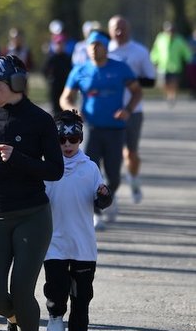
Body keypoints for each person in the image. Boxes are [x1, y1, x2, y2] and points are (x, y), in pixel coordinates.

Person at [0, 56, 63, 331]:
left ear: (15, 85)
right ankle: (15, 321)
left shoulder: (40, 120)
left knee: (22, 288)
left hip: (32, 215)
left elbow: (55, 170)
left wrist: (20, 159)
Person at [43, 110, 112, 331]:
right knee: (57, 287)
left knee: (82, 295)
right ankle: (54, 313)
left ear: (81, 139)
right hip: (54, 242)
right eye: (62, 140)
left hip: (83, 243)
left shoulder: (90, 168)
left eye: (74, 139)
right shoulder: (48, 168)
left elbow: (101, 201)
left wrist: (104, 196)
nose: (68, 144)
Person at [60, 30, 142, 228]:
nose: (95, 49)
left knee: (113, 176)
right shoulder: (79, 70)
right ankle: (94, 212)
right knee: (88, 170)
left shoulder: (121, 68)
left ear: (107, 47)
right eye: (91, 45)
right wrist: (74, 110)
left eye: (99, 45)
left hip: (115, 129)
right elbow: (65, 97)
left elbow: (136, 91)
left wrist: (128, 110)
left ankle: (107, 199)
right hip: (90, 129)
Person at [107, 15, 155, 205]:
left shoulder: (139, 52)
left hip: (133, 110)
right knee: (110, 153)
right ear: (109, 30)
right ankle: (110, 190)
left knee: (130, 153)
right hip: (108, 111)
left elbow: (151, 81)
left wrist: (128, 78)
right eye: (115, 28)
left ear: (129, 29)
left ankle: (134, 179)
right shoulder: (104, 50)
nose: (119, 32)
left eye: (122, 28)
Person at [150, 22, 192, 106]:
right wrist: (154, 59)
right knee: (162, 83)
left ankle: (172, 96)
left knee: (174, 82)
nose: (170, 33)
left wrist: (189, 58)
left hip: (175, 66)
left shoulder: (179, 40)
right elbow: (155, 50)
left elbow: (185, 51)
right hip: (163, 66)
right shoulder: (160, 38)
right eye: (168, 31)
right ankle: (169, 94)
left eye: (172, 31)